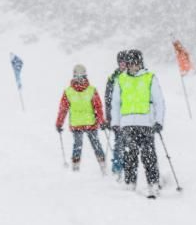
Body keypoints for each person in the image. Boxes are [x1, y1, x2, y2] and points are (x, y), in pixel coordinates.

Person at [110, 49, 165, 198]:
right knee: (130, 155)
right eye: (131, 63)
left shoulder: (149, 77)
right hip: (127, 123)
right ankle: (130, 183)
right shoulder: (120, 79)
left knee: (149, 156)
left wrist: (159, 121)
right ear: (127, 64)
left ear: (141, 63)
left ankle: (153, 184)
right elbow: (115, 103)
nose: (134, 66)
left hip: (146, 123)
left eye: (136, 63)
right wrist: (115, 122)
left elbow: (159, 101)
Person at [55, 64, 106, 173]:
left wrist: (102, 121)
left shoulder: (90, 90)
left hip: (87, 123)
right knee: (88, 145)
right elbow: (63, 109)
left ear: (85, 77)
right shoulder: (69, 91)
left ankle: (102, 167)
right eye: (77, 77)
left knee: (89, 145)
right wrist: (59, 123)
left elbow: (98, 107)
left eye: (81, 77)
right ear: (74, 77)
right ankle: (77, 168)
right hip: (81, 124)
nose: (79, 80)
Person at [102, 51, 127, 179]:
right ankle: (117, 167)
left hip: (130, 114)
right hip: (117, 115)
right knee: (118, 142)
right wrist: (108, 117)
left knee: (130, 142)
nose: (123, 64)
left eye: (125, 62)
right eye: (121, 62)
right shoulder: (112, 78)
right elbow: (107, 99)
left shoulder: (133, 76)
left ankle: (129, 167)